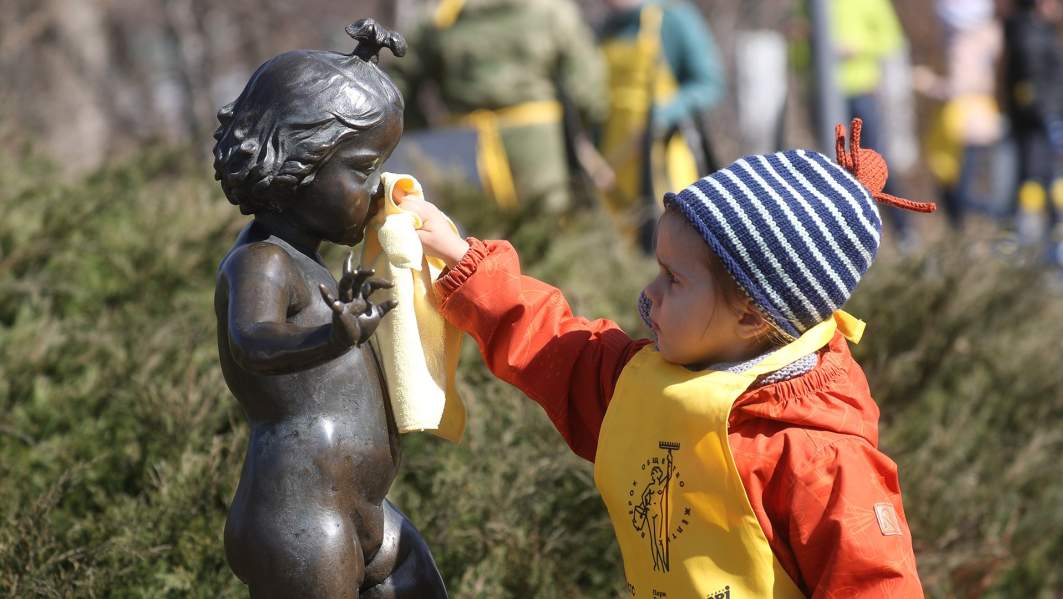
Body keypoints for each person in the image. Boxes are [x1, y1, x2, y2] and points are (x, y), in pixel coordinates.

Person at [398, 119, 928, 597]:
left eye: (674, 279)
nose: (649, 293)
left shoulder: (820, 458)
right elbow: (558, 347)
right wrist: (462, 258)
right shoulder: (647, 385)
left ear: (750, 316)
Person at [212, 20, 446, 598]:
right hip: (298, 512)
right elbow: (252, 341)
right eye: (364, 170)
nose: (378, 189)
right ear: (297, 164)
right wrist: (329, 340)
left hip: (359, 507)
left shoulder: (310, 261)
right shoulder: (264, 262)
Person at [388, 0, 606, 214]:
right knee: (547, 229)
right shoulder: (550, 9)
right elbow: (587, 86)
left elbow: (398, 81)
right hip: (538, 151)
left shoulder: (439, 16)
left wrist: (425, 134)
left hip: (461, 150)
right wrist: (581, 131)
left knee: (469, 239)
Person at [598, 0, 725, 250]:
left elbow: (710, 84)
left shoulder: (674, 18)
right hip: (615, 166)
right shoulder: (607, 28)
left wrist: (663, 116)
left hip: (664, 161)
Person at [830, 0, 916, 245]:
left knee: (872, 162)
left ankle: (904, 232)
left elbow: (891, 40)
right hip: (824, 93)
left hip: (861, 90)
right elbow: (800, 45)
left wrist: (858, 47)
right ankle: (844, 238)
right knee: (833, 167)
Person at [916, 0, 1003, 229]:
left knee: (959, 189)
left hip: (963, 120)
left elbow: (959, 86)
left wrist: (927, 83)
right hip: (982, 116)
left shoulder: (964, 42)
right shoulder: (991, 33)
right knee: (973, 184)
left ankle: (966, 235)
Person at [1005, 0, 1063, 248]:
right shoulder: (1030, 33)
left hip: (1045, 118)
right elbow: (1031, 81)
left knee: (1049, 178)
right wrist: (1048, 116)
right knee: (1038, 176)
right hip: (1040, 122)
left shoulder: (1039, 30)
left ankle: (1049, 234)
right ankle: (1026, 238)